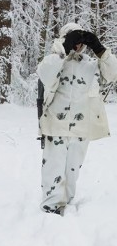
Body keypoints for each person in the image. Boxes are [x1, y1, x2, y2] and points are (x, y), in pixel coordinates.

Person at [37, 23, 117, 215]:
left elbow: (112, 74)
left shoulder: (90, 63)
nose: (77, 45)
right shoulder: (54, 60)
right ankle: (50, 206)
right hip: (55, 123)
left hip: (82, 126)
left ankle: (67, 201)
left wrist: (100, 50)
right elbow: (44, 73)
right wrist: (63, 49)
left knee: (73, 169)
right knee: (53, 167)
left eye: (80, 41)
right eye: (73, 40)